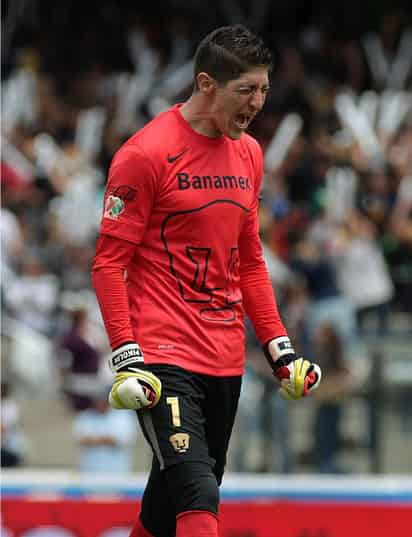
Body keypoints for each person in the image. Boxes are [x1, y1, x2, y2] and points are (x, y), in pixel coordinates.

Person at [92, 25, 322, 537]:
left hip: (223, 355)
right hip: (161, 357)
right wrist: (126, 356)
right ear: (206, 83)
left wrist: (280, 352)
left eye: (263, 89)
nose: (258, 102)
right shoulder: (144, 154)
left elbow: (250, 262)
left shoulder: (250, 155)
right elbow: (109, 264)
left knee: (163, 509)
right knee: (199, 495)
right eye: (246, 90)